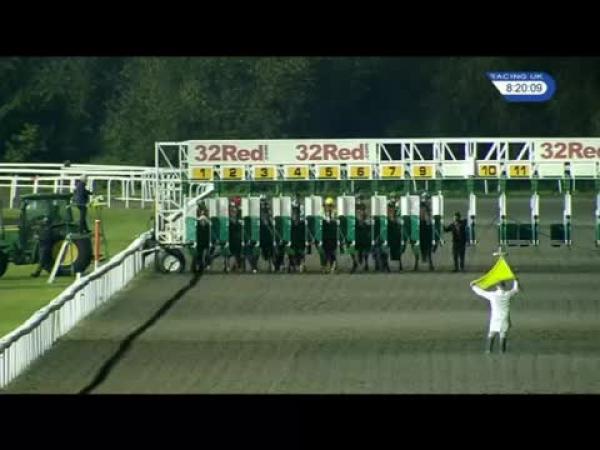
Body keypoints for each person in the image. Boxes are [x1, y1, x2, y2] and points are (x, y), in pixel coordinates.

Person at [470, 279, 520, 353]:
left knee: (491, 333)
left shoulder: (493, 295)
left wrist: (473, 286)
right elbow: (515, 290)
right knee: (503, 334)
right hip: (504, 316)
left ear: (497, 286)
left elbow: (481, 292)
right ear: (504, 286)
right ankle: (502, 351)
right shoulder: (507, 294)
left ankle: (488, 350)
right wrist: (516, 281)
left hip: (495, 317)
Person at [352, 204, 371, 273]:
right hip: (356, 238)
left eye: (361, 210)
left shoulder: (367, 218)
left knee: (365, 251)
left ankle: (366, 263)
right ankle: (355, 263)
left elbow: (369, 227)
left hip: (364, 238)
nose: (359, 212)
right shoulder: (354, 219)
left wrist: (365, 222)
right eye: (358, 210)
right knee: (350, 249)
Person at [321, 197, 338, 273]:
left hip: (333, 236)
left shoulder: (335, 213)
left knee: (332, 252)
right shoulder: (322, 214)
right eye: (327, 205)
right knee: (325, 252)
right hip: (325, 237)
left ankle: (333, 266)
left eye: (330, 205)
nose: (328, 207)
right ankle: (325, 266)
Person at [194, 204, 211, 273]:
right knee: (199, 254)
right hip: (200, 240)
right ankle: (198, 265)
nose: (202, 213)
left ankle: (207, 266)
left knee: (207, 254)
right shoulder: (198, 221)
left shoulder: (207, 222)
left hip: (206, 239)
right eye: (201, 211)